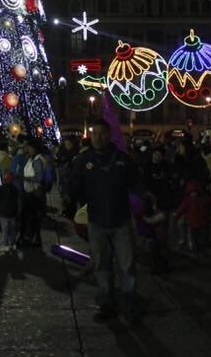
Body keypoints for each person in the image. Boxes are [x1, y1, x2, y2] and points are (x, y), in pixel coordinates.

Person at [68, 117, 141, 325]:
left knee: (126, 266)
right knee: (102, 265)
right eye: (95, 134)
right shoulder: (84, 160)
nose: (98, 138)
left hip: (120, 220)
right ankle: (107, 303)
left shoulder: (122, 159)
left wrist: (145, 197)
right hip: (96, 220)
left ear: (109, 136)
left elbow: (136, 182)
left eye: (102, 134)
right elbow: (74, 184)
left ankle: (129, 304)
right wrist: (70, 197)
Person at [19, 139, 49, 247]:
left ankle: (30, 238)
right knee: (33, 216)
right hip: (32, 191)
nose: (28, 150)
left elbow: (38, 177)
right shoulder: (33, 159)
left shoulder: (37, 161)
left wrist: (25, 178)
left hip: (33, 192)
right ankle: (35, 238)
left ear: (35, 149)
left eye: (30, 148)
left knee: (32, 216)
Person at [175, 179, 211, 257]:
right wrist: (177, 216)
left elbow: (209, 203)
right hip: (191, 224)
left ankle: (201, 251)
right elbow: (181, 209)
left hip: (201, 223)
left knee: (201, 239)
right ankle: (194, 252)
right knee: (193, 239)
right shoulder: (187, 201)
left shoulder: (202, 199)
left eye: (195, 192)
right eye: (191, 192)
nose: (193, 194)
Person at [0, 171, 21, 253]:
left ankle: (6, 245)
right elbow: (18, 201)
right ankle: (13, 244)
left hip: (3, 214)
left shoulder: (0, 189)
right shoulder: (15, 189)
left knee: (5, 230)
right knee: (12, 231)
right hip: (13, 214)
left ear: (4, 179)